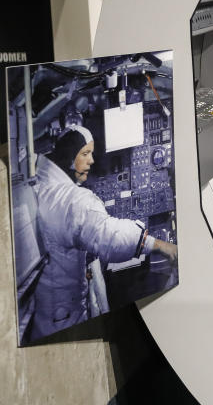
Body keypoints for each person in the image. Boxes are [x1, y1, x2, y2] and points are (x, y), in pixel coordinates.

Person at [31, 125, 178, 340]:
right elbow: (111, 236)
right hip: (64, 316)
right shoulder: (72, 201)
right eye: (85, 153)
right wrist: (160, 245)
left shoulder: (41, 186)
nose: (91, 160)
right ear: (68, 156)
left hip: (48, 311)